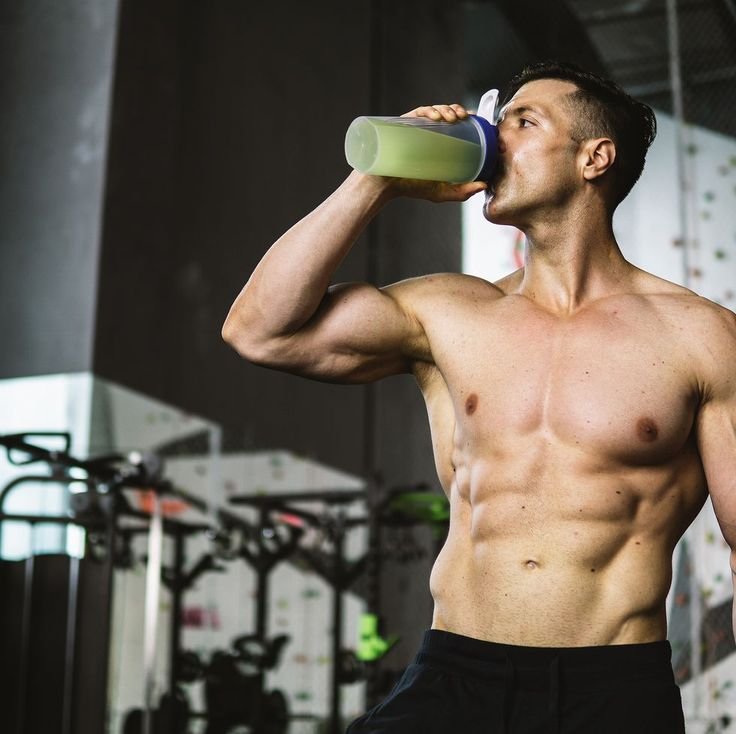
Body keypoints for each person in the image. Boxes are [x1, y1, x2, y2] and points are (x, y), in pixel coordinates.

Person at [222, 60, 736, 733]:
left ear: (595, 157)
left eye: (523, 121)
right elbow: (259, 331)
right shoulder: (448, 311)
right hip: (454, 679)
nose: (494, 138)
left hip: (612, 689)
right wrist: (373, 181)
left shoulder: (698, 335)